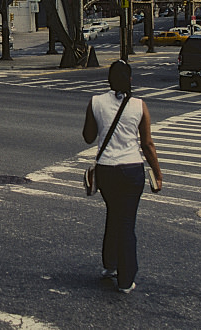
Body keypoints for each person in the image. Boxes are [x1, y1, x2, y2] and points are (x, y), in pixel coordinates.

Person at [82, 60, 163, 295]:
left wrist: (100, 121)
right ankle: (126, 280)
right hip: (131, 170)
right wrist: (157, 173)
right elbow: (147, 144)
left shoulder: (95, 102)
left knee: (113, 214)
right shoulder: (139, 105)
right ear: (130, 80)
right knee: (126, 222)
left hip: (107, 170)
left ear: (109, 80)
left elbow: (88, 137)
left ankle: (110, 265)